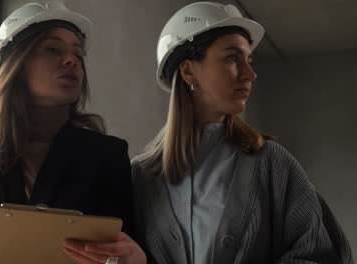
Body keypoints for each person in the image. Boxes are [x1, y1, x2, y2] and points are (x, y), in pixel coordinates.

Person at [130, 2, 354, 264]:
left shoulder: (272, 163)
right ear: (189, 71)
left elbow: (321, 255)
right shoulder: (140, 176)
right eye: (232, 58)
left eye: (249, 60)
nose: (250, 74)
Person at [0, 2, 136, 264]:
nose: (72, 60)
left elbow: (126, 249)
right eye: (52, 49)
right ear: (14, 65)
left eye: (78, 54)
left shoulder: (108, 156)